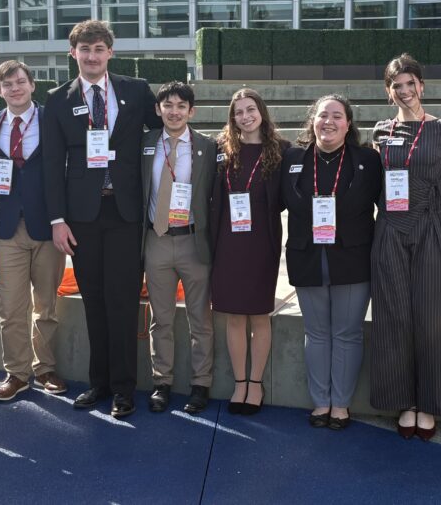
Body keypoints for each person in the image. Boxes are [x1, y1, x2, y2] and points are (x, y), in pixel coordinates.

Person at [42, 20, 162, 418]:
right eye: (84, 49)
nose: (92, 56)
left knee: (124, 301)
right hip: (82, 218)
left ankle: (125, 389)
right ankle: (101, 383)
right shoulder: (58, 99)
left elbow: (167, 128)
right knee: (93, 300)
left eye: (99, 49)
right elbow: (51, 165)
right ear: (72, 52)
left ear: (111, 53)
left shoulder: (135, 91)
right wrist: (58, 219)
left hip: (126, 212)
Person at [369, 55, 441, 442]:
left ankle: (430, 401)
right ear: (388, 91)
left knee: (433, 313)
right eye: (397, 86)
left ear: (421, 85)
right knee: (393, 315)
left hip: (432, 224)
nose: (405, 91)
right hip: (390, 225)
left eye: (411, 83)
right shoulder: (380, 131)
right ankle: (403, 400)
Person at [280, 95, 381, 430]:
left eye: (337, 116)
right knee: (317, 332)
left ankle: (341, 403)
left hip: (351, 258)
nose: (329, 122)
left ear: (348, 124)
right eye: (323, 115)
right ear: (312, 120)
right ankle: (320, 401)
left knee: (347, 333)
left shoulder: (367, 159)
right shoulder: (292, 157)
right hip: (306, 256)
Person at [0, 61, 67, 402]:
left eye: (20, 82)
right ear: (0, 90)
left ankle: (44, 367)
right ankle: (16, 373)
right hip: (7, 227)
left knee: (45, 305)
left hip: (47, 225)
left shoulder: (52, 119)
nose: (15, 88)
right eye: (7, 84)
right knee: (10, 307)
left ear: (32, 85)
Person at [210, 88, 289, 415]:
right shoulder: (221, 149)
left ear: (262, 112)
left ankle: (255, 383)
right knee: (234, 316)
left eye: (250, 109)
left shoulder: (282, 150)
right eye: (238, 112)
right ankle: (239, 382)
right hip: (228, 240)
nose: (245, 116)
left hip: (261, 241)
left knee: (258, 314)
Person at [141, 82, 217, 414]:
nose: (174, 111)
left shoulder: (207, 147)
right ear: (158, 110)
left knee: (200, 318)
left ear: (191, 111)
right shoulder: (144, 144)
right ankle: (162, 382)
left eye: (181, 106)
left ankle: (201, 384)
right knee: (161, 318)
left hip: (193, 242)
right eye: (167, 105)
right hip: (156, 241)